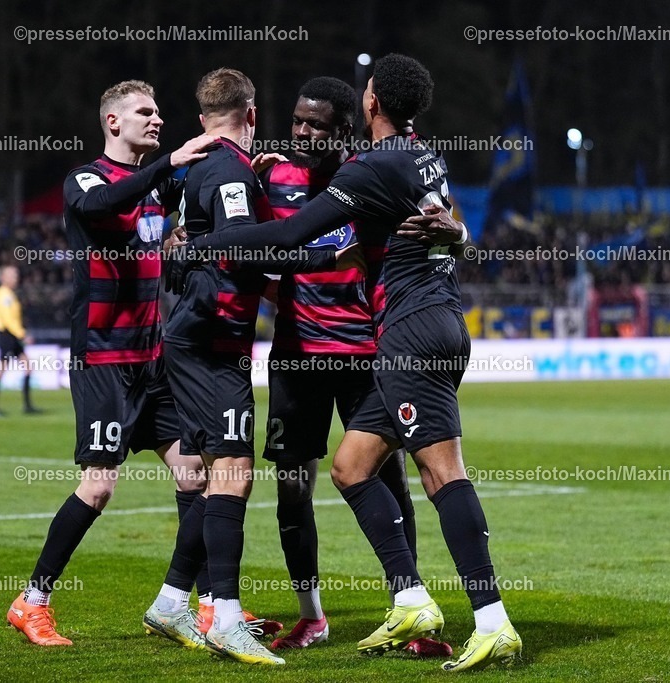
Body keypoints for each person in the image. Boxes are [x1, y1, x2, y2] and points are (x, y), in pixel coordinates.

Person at [173, 54, 522, 671]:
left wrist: (201, 243)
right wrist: (460, 237)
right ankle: (410, 599)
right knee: (352, 467)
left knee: (443, 475)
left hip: (411, 332)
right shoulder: (424, 155)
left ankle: (492, 619)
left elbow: (287, 239)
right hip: (418, 327)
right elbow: (448, 230)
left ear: (369, 104)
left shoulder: (368, 168)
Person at [144, 67, 360, 666]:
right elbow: (244, 246)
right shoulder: (229, 171)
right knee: (234, 469)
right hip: (212, 340)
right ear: (254, 115)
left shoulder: (200, 171)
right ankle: (226, 616)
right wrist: (324, 254)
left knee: (217, 474)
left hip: (199, 333)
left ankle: (170, 602)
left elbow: (207, 241)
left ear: (201, 119)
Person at [6, 80, 215, 647]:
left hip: (153, 362)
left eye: (159, 112)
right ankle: (32, 601)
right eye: (144, 112)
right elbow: (101, 205)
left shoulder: (155, 189)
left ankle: (186, 603)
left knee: (199, 476)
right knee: (98, 489)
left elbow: (202, 187)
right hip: (103, 358)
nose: (157, 120)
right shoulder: (87, 179)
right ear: (112, 122)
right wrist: (169, 164)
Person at [258, 76, 437, 655]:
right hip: (296, 359)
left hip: (364, 357)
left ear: (345, 129)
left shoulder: (370, 175)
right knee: (292, 489)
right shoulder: (272, 177)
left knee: (388, 481)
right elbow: (265, 257)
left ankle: (406, 607)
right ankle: (311, 615)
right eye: (297, 122)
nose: (304, 132)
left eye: (317, 124)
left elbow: (434, 231)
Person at [0, 265, 40, 416]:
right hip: (7, 336)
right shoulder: (3, 296)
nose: (15, 278)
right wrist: (23, 334)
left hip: (13, 336)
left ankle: (27, 406)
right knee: (1, 371)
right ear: (3, 278)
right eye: (12, 276)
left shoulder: (9, 294)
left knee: (28, 366)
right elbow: (8, 320)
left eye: (16, 275)